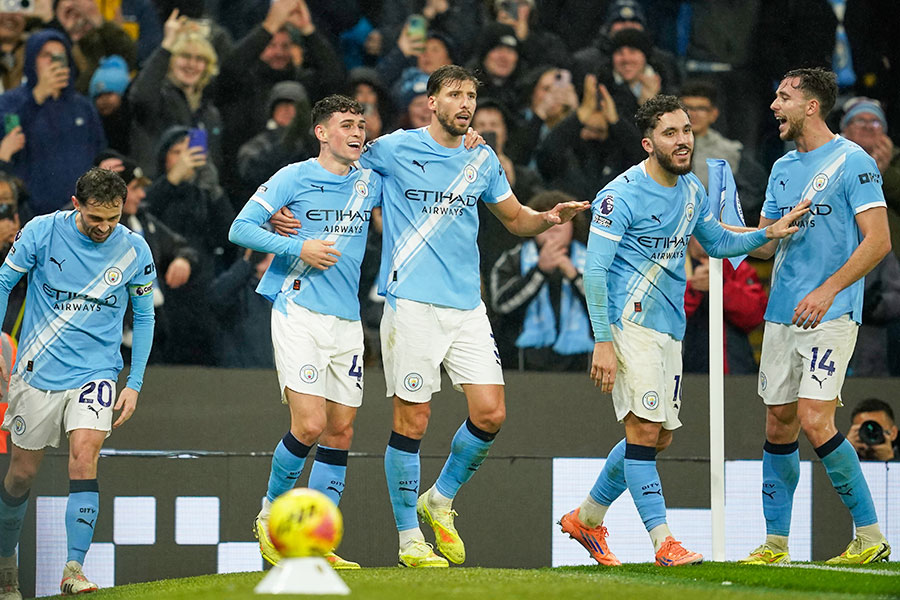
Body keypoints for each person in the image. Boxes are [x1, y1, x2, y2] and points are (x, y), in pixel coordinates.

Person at [272, 64, 589, 568]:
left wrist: (547, 218)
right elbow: (332, 166)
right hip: (411, 305)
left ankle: (439, 499)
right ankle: (408, 540)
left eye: (471, 96)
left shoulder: (481, 158)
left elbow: (513, 217)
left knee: (491, 413)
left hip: (467, 306)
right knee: (413, 420)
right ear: (432, 102)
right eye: (455, 95)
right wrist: (281, 210)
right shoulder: (393, 149)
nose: (466, 104)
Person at [557, 94, 807, 567]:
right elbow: (594, 271)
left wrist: (766, 234)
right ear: (649, 143)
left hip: (669, 326)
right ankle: (663, 543)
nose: (683, 140)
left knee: (657, 437)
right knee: (644, 429)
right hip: (628, 324)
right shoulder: (620, 195)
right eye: (671, 133)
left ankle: (586, 519)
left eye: (687, 130)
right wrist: (603, 341)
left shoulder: (691, 190)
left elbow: (716, 241)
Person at [741, 67, 892, 566]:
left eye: (783, 97)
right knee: (779, 424)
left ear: (811, 105)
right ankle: (776, 545)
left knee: (813, 418)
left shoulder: (855, 162)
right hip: (782, 312)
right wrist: (733, 231)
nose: (773, 106)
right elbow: (763, 249)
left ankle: (870, 536)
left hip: (830, 312)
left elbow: (879, 240)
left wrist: (829, 289)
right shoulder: (783, 167)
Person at [229, 94, 382, 570]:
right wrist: (297, 244)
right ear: (322, 132)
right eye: (346, 125)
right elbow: (240, 228)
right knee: (310, 425)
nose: (357, 133)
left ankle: (313, 542)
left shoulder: (371, 179)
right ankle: (270, 517)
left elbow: (425, 161)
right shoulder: (294, 176)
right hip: (299, 309)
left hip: (347, 319)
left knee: (340, 431)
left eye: (361, 124)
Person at [0, 167, 155, 597]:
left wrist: (134, 381)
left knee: (85, 457)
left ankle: (73, 569)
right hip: (38, 370)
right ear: (76, 205)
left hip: (97, 371)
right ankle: (4, 562)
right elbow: (3, 281)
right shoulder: (41, 232)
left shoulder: (134, 250)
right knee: (20, 475)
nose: (105, 228)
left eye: (114, 218)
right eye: (95, 219)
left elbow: (144, 316)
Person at [0, 29, 107, 216]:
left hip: (80, 213)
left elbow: (99, 151)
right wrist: (37, 97)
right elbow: (8, 139)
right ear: (32, 59)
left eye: (60, 55)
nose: (54, 61)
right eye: (46, 55)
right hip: (31, 213)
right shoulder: (11, 101)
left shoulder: (83, 106)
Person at [490, 190, 592, 372]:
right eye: (548, 219)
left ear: (574, 225)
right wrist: (539, 272)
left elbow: (608, 310)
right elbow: (501, 306)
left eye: (563, 219)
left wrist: (574, 276)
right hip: (522, 367)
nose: (555, 224)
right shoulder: (512, 260)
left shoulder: (593, 261)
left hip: (582, 367)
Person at [682, 236, 767, 375]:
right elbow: (662, 315)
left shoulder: (736, 264)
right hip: (684, 369)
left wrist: (721, 285)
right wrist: (692, 290)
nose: (705, 236)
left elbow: (755, 315)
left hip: (734, 371)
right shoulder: (673, 264)